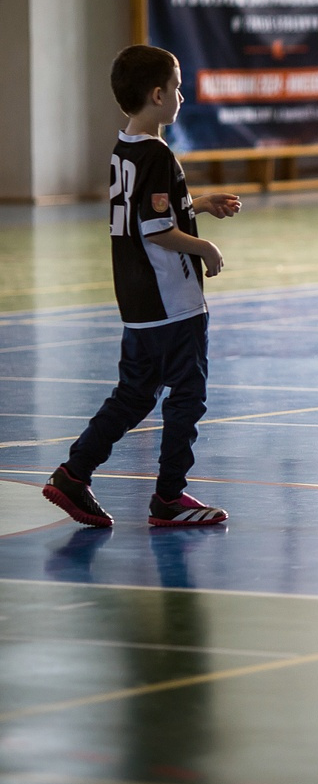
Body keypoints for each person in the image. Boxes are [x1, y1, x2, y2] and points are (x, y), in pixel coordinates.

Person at [42, 45, 241, 528]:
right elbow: (156, 229)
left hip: (138, 301)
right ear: (157, 95)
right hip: (172, 300)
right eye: (176, 87)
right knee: (187, 395)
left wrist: (198, 204)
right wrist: (205, 247)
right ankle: (169, 497)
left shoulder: (125, 149)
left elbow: (148, 212)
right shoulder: (157, 153)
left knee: (133, 394)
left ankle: (73, 473)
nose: (181, 96)